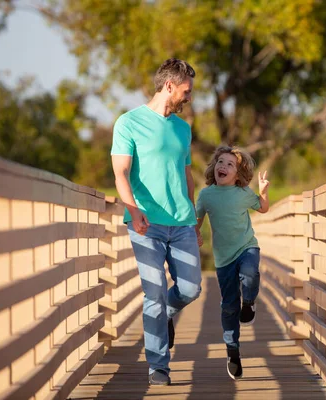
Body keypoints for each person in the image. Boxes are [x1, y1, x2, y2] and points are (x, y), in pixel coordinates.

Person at [111, 58, 202, 386]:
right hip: (145, 224)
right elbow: (120, 172)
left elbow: (187, 174)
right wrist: (133, 211)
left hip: (181, 222)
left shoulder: (182, 128)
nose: (189, 97)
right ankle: (158, 366)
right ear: (169, 87)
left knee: (190, 289)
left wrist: (193, 218)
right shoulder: (128, 123)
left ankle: (163, 318)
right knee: (155, 292)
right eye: (186, 91)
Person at [195, 145, 270, 380]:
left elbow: (263, 208)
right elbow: (197, 219)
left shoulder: (244, 193)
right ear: (213, 168)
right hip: (223, 258)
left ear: (238, 175)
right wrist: (195, 234)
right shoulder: (206, 195)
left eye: (230, 164)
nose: (224, 167)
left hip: (247, 246)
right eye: (220, 163)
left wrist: (263, 191)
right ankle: (232, 350)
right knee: (228, 305)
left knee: (250, 274)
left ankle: (249, 302)